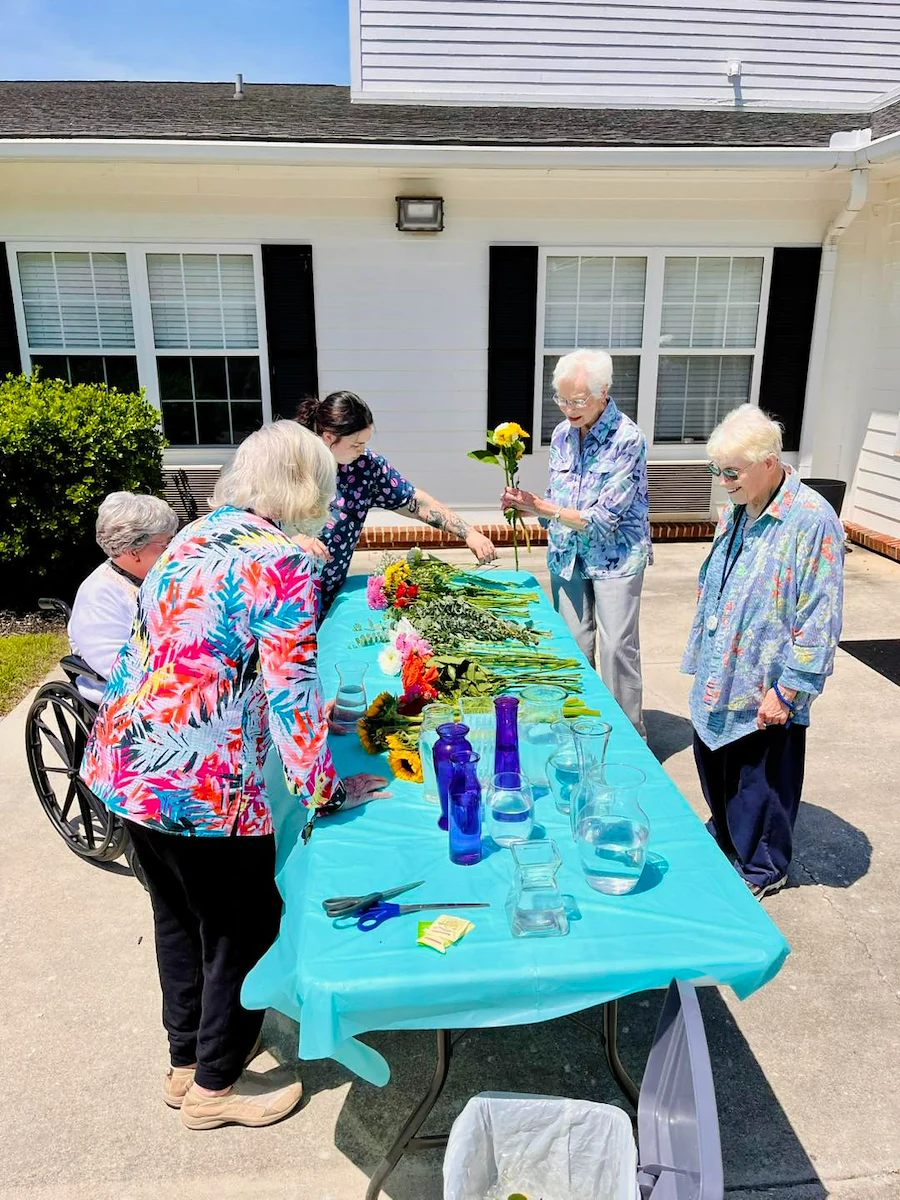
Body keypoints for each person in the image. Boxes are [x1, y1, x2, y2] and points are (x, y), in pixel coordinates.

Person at [80, 421, 389, 1130]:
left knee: (178, 919)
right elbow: (287, 685)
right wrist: (327, 790)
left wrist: (310, 717)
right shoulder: (282, 561)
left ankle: (185, 1060)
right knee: (241, 925)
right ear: (308, 486)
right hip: (202, 782)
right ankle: (216, 1090)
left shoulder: (190, 537)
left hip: (129, 764)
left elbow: (188, 651)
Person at [682, 404, 844, 899]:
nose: (722, 480)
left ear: (768, 462)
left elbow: (821, 616)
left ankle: (763, 867)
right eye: (717, 470)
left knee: (762, 781)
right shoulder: (739, 507)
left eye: (731, 471)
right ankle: (730, 838)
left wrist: (791, 688)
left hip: (766, 682)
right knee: (718, 764)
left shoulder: (812, 520)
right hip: (722, 669)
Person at [502, 349, 651, 735]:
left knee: (617, 649)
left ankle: (626, 736)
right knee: (572, 647)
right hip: (568, 553)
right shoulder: (562, 435)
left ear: (605, 392)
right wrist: (528, 506)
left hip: (616, 556)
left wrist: (542, 508)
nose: (569, 408)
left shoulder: (628, 439)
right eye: (562, 399)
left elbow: (603, 519)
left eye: (578, 400)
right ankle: (577, 728)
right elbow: (561, 495)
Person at [295, 391, 497, 616]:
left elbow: (415, 502)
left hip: (328, 596)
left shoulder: (365, 467)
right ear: (329, 436)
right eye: (355, 444)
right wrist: (292, 539)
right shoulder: (291, 462)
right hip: (284, 595)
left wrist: (469, 533)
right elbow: (253, 519)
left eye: (364, 443)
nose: (361, 450)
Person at [68, 492, 178, 703]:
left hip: (169, 678)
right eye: (165, 544)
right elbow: (116, 667)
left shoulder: (153, 576)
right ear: (133, 551)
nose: (172, 550)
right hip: (127, 695)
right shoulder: (98, 594)